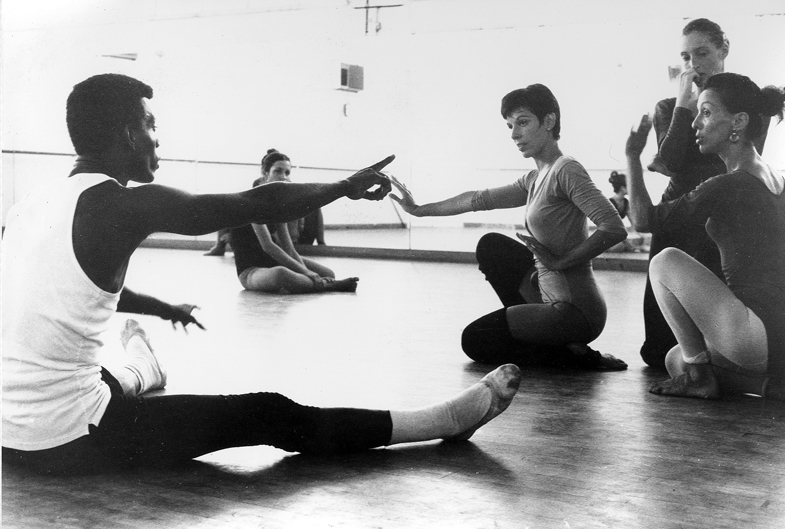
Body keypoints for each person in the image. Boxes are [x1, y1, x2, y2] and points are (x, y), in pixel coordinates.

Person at [1, 73, 522, 475]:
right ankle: (445, 419)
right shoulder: (119, 206)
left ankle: (144, 365)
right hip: (72, 439)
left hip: (10, 429)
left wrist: (159, 308)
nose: (157, 139)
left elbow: (67, 289)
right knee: (268, 412)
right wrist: (343, 186)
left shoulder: (29, 207)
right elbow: (257, 201)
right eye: (150, 125)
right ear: (126, 134)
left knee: (110, 380)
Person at [390, 83, 628, 370]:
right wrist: (419, 210)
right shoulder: (535, 177)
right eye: (510, 125)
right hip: (548, 296)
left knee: (476, 340)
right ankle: (555, 342)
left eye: (523, 122)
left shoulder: (566, 169)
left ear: (549, 121)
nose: (515, 134)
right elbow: (477, 199)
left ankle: (577, 354)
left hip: (575, 311)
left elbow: (613, 227)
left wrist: (560, 262)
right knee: (492, 246)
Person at [624, 73, 785, 401]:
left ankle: (700, 378)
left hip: (754, 334)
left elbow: (644, 220)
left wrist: (633, 156)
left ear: (739, 122)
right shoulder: (777, 181)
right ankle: (771, 387)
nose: (695, 124)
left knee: (664, 261)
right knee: (675, 359)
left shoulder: (727, 184)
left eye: (705, 112)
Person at [639, 18, 770, 370]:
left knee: (717, 324)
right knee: (657, 351)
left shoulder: (746, 102)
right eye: (685, 57)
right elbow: (667, 163)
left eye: (702, 53)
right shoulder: (669, 107)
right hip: (677, 212)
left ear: (723, 50)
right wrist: (685, 103)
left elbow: (746, 159)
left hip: (719, 211)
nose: (693, 64)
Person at [230, 149, 356, 294]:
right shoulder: (252, 201)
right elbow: (268, 246)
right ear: (265, 173)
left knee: (328, 273)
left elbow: (288, 248)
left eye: (287, 173)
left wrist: (308, 272)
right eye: (278, 171)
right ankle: (328, 286)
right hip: (252, 271)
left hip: (273, 262)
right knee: (281, 274)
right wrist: (307, 273)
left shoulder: (279, 205)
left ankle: (316, 283)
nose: (283, 177)